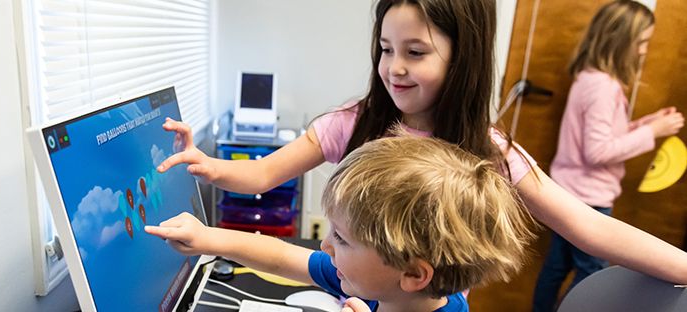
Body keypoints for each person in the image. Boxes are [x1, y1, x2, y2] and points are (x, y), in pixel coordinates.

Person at [158, 0, 687, 291]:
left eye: (415, 51)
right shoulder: (354, 122)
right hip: (361, 289)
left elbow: (587, 225)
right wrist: (209, 167)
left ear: (464, 57)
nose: (394, 67)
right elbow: (262, 177)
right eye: (386, 49)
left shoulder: (490, 153)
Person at [147, 136, 537, 312]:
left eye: (342, 239)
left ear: (414, 273)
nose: (324, 246)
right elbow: (283, 257)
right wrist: (207, 237)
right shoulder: (380, 287)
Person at [532, 1, 685, 311]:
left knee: (555, 269)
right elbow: (599, 150)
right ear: (621, 41)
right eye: (641, 42)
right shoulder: (602, 87)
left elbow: (605, 133)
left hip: (570, 191)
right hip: (589, 198)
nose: (643, 51)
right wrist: (652, 133)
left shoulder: (591, 78)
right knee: (589, 272)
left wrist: (646, 123)